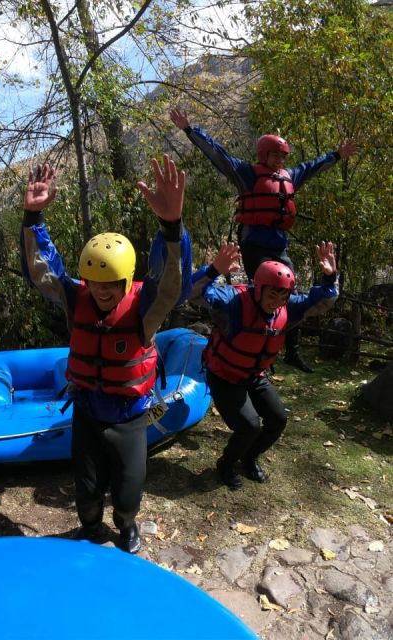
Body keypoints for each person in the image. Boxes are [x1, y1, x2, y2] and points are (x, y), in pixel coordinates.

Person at [20, 156, 191, 554]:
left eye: (110, 283)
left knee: (129, 489)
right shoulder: (74, 296)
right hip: (88, 413)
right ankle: (91, 527)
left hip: (130, 417)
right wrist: (32, 218)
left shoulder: (144, 310)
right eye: (94, 282)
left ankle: (127, 524)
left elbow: (171, 283)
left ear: (126, 280)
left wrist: (172, 228)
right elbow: (42, 268)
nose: (100, 291)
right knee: (87, 487)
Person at [169, 107, 357, 372]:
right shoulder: (246, 174)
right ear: (262, 154)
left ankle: (290, 351)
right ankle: (255, 348)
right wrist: (190, 130)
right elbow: (217, 154)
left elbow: (314, 166)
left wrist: (337, 155)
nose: (280, 159)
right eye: (275, 154)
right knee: (263, 295)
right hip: (254, 245)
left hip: (279, 245)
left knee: (288, 292)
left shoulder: (289, 177)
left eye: (283, 155)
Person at [189, 241, 339, 489]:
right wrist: (214, 269)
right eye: (272, 294)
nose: (278, 301)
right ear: (258, 288)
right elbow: (192, 293)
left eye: (284, 295)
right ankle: (226, 463)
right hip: (225, 376)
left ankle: (249, 457)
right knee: (249, 426)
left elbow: (322, 300)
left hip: (255, 374)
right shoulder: (233, 303)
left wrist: (330, 276)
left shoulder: (288, 308)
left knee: (278, 419)